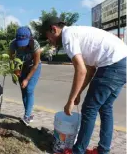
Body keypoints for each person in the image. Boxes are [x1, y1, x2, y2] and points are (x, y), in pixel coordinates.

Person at [40, 17, 127, 154]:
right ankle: (103, 150)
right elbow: (90, 69)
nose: (49, 40)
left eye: (48, 37)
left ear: (53, 29)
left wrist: (70, 101)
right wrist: (78, 93)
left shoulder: (67, 37)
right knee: (105, 108)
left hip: (113, 65)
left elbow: (81, 71)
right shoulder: (76, 33)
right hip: (123, 63)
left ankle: (77, 151)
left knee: (89, 109)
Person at [9, 26, 42, 126]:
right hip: (21, 67)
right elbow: (11, 59)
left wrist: (27, 79)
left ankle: (27, 116)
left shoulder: (35, 44)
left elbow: (36, 64)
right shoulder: (13, 44)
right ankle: (28, 114)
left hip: (34, 67)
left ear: (29, 38)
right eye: (20, 43)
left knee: (29, 89)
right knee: (23, 91)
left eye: (24, 43)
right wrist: (14, 71)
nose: (22, 47)